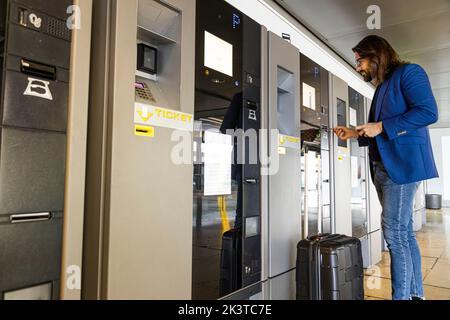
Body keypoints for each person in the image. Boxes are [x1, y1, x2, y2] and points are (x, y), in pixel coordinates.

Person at [333, 35, 439, 300]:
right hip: (381, 167)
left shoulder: (409, 73)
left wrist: (380, 126)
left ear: (376, 54)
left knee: (394, 234)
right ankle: (415, 294)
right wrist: (356, 133)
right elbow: (379, 130)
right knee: (403, 234)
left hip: (401, 167)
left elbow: (428, 112)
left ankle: (402, 297)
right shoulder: (382, 87)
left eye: (360, 61)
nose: (358, 67)